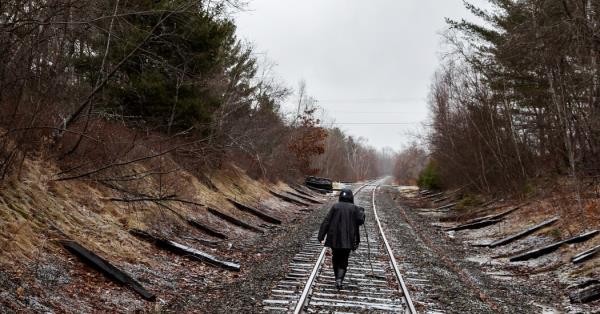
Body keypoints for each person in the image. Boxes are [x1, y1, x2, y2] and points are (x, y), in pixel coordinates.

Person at [317, 188, 365, 290]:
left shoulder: (335, 206)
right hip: (348, 239)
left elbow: (327, 221)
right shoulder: (354, 208)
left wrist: (321, 236)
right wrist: (361, 212)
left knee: (335, 258)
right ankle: (339, 280)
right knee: (344, 259)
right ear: (351, 197)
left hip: (334, 238)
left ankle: (337, 279)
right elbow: (360, 221)